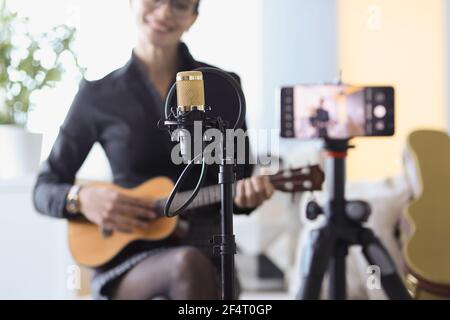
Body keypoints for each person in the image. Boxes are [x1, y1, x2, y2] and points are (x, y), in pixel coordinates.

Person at [32, 0, 274, 300]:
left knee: (192, 263)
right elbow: (45, 187)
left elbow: (240, 185)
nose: (164, 13)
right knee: (185, 265)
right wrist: (81, 198)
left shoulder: (223, 86)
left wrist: (250, 195)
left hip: (207, 249)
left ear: (193, 18)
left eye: (180, 5)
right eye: (154, 0)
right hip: (129, 256)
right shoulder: (97, 96)